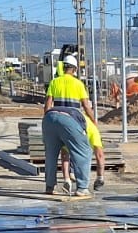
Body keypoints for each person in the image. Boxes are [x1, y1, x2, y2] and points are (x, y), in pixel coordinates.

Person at [43, 55, 95, 196]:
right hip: (70, 119)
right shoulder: (78, 84)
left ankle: (49, 187)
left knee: (51, 155)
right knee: (83, 152)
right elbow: (86, 106)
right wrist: (93, 121)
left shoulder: (54, 82)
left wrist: (47, 122)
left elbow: (47, 104)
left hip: (51, 118)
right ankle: (82, 188)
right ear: (75, 69)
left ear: (63, 67)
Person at [60, 116, 106, 193]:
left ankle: (67, 180)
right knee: (84, 156)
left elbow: (65, 156)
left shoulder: (90, 126)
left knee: (66, 154)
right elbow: (100, 156)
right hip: (77, 127)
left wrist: (66, 179)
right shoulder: (95, 133)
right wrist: (100, 177)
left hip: (65, 125)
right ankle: (82, 188)